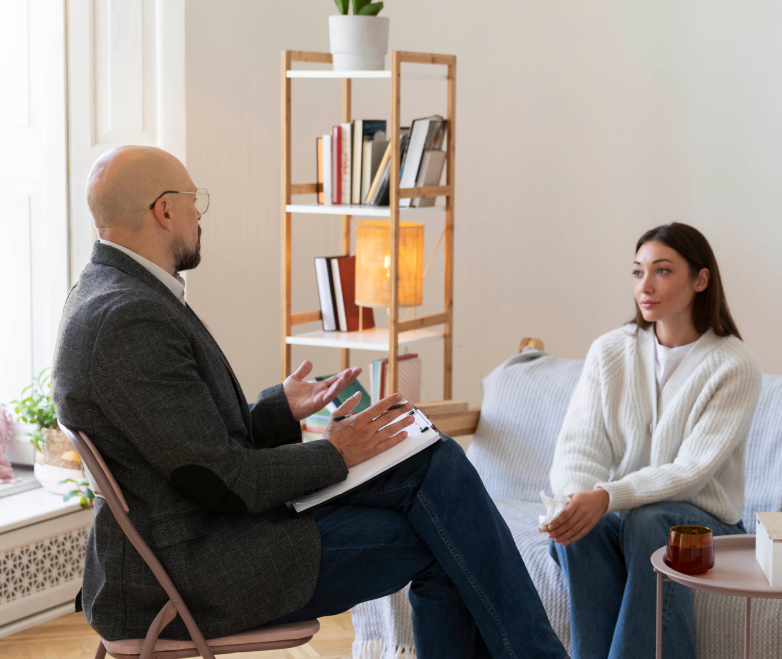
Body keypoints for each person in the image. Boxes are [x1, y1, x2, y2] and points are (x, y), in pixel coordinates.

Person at [54, 145, 566, 658]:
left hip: (198, 538)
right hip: (194, 569)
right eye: (194, 200)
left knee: (432, 463)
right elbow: (221, 480)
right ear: (164, 210)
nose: (199, 213)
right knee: (447, 532)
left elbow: (187, 451)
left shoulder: (107, 293)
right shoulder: (128, 318)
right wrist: (337, 451)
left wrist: (279, 408)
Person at [544, 222, 762, 659]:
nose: (645, 285)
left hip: (705, 527)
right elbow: (578, 447)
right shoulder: (609, 351)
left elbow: (691, 472)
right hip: (625, 515)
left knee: (651, 523)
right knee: (577, 531)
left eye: (662, 271)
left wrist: (606, 496)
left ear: (701, 280)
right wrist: (576, 502)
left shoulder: (734, 365)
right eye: (637, 272)